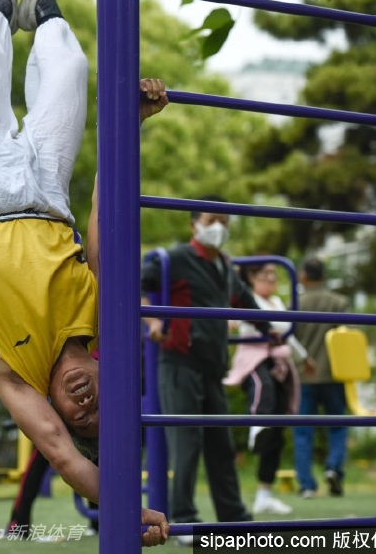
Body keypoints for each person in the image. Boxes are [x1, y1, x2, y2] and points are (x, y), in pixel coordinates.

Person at [0, 0, 169, 546]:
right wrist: (130, 129)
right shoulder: (103, 315)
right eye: (100, 407)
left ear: (62, 416)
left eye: (81, 418)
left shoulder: (16, 377)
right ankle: (43, 5)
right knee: (71, 74)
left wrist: (130, 508)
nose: (86, 404)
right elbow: (101, 211)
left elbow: (64, 459)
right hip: (47, 197)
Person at [141, 199, 277, 543]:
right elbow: (138, 284)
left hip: (212, 365)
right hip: (180, 361)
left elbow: (245, 302)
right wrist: (154, 319)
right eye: (212, 219)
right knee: (186, 441)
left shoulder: (224, 266)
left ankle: (234, 517)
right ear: (194, 226)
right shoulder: (177, 258)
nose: (219, 226)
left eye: (224, 220)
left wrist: (270, 329)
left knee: (220, 443)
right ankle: (183, 518)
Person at [224, 262, 308, 515]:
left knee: (278, 429)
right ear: (252, 278)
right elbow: (235, 320)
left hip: (278, 360)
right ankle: (256, 425)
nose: (271, 279)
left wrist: (304, 358)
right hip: (253, 359)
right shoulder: (248, 301)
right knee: (264, 389)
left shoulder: (277, 302)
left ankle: (264, 494)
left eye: (274, 275)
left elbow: (287, 332)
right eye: (265, 275)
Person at [292, 256, 350, 499]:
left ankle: (306, 485)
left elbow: (289, 338)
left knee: (303, 431)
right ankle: (333, 467)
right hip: (334, 374)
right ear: (323, 275)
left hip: (304, 376)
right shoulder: (339, 302)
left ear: (303, 276)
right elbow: (348, 337)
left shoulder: (296, 303)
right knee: (338, 426)